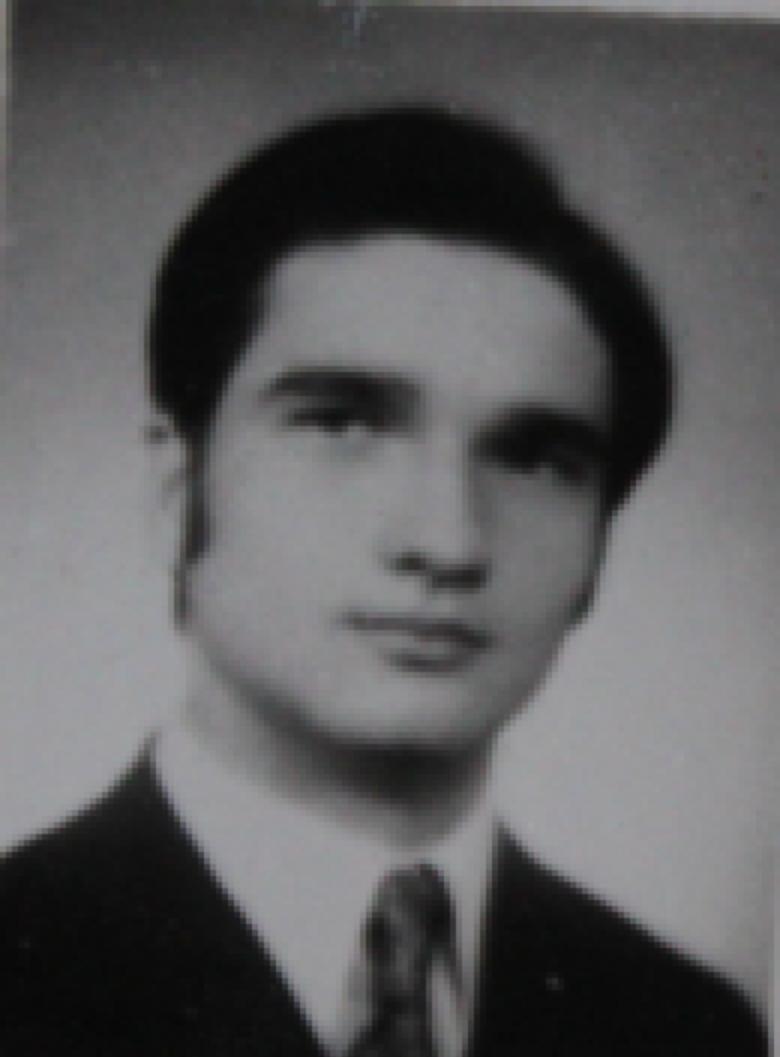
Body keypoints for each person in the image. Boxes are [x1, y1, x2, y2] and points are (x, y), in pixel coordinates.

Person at [0, 106, 767, 1056]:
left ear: (599, 548)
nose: (448, 540)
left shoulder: (691, 1030)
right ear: (175, 490)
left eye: (535, 458)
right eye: (343, 424)